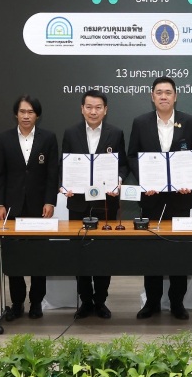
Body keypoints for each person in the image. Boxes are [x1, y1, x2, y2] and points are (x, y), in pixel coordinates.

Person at [128, 76, 192, 320]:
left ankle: (177, 303)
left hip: (180, 199)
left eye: (168, 92)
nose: (163, 96)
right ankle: (152, 302)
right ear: (152, 96)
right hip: (151, 199)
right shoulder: (140, 122)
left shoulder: (190, 122)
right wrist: (145, 180)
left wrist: (189, 179)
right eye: (159, 92)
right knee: (152, 253)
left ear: (175, 96)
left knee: (177, 253)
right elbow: (132, 156)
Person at [61, 89, 129, 320]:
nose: (93, 111)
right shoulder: (71, 133)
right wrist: (65, 185)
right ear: (82, 109)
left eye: (98, 107)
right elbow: (64, 164)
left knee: (103, 253)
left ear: (105, 110)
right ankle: (85, 301)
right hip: (78, 202)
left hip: (105, 203)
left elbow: (123, 165)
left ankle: (100, 301)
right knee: (80, 253)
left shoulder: (115, 133)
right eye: (89, 107)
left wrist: (118, 180)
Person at [0, 95, 58, 320]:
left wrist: (50, 201)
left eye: (30, 112)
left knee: (39, 256)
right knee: (15, 257)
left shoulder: (48, 138)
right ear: (16, 114)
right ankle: (17, 302)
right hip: (12, 207)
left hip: (39, 207)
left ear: (37, 115)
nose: (26, 116)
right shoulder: (4, 139)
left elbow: (52, 173)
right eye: (22, 112)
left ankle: (37, 302)